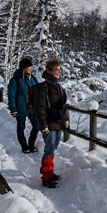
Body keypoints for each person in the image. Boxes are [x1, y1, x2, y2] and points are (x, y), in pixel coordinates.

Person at [28, 59, 69, 188]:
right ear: (49, 71)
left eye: (60, 70)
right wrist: (43, 125)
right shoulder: (44, 88)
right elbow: (40, 108)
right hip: (49, 123)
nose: (59, 72)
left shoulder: (59, 87)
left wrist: (66, 119)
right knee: (49, 149)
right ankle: (46, 177)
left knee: (53, 147)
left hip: (58, 123)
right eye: (56, 70)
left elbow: (63, 106)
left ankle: (50, 172)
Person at [6, 57, 40, 153]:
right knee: (21, 127)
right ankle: (24, 146)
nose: (31, 68)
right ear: (24, 68)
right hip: (21, 107)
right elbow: (11, 95)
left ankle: (31, 145)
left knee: (37, 126)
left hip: (32, 107)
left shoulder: (32, 78)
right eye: (29, 66)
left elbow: (38, 90)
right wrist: (12, 108)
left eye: (31, 66)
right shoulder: (15, 79)